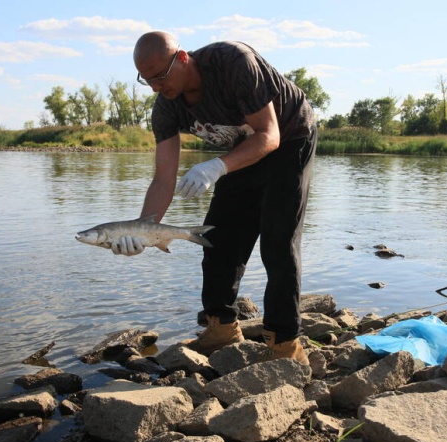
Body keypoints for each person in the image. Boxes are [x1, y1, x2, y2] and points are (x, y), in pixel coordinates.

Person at [116, 31, 316, 364]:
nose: (155, 87)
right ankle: (222, 330)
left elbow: (269, 136)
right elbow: (164, 179)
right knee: (217, 240)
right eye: (146, 80)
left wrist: (215, 167)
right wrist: (141, 231)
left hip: (290, 136)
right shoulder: (166, 107)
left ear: (182, 58)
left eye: (159, 76)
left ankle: (284, 344)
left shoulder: (234, 63)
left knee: (278, 242)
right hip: (242, 150)